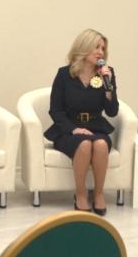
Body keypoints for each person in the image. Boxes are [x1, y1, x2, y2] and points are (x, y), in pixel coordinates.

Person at [44, 28, 118, 216]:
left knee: (101, 145)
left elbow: (112, 111)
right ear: (84, 48)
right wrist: (73, 129)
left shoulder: (107, 74)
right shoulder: (64, 75)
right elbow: (55, 110)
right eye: (96, 47)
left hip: (96, 126)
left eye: (103, 48)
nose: (100, 52)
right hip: (68, 129)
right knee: (84, 144)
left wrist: (109, 87)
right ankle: (80, 194)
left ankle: (99, 194)